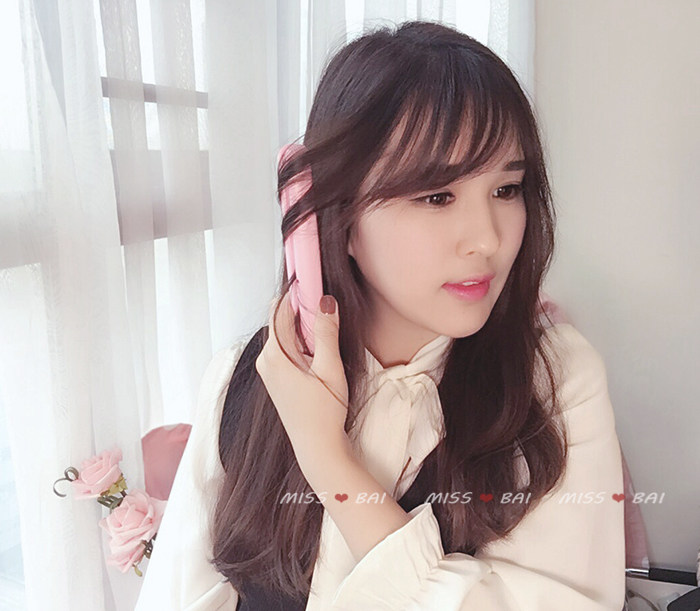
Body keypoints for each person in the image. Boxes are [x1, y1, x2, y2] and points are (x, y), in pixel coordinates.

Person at [136, 19, 625, 611]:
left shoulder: (554, 380)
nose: (487, 239)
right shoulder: (245, 378)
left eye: (507, 189)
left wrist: (329, 457)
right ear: (336, 214)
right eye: (437, 196)